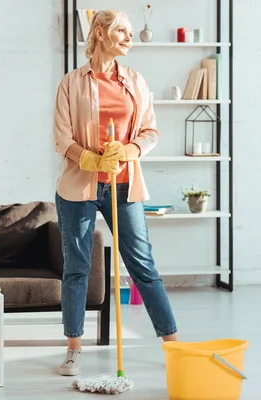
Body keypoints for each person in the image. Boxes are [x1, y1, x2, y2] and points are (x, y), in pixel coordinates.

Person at [52, 9, 179, 376]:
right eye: (121, 31)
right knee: (77, 268)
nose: (129, 37)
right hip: (79, 188)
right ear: (100, 33)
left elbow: (150, 131)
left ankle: (173, 344)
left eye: (131, 31)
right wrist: (89, 159)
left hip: (125, 185)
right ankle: (74, 348)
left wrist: (129, 151)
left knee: (143, 266)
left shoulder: (136, 81)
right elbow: (61, 138)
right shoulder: (71, 83)